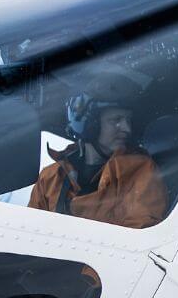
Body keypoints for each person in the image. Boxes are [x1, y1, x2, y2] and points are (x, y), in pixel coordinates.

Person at [29, 72, 168, 228]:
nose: (127, 128)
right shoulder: (51, 178)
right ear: (90, 125)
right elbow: (31, 231)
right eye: (116, 120)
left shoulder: (139, 170)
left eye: (128, 120)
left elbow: (140, 228)